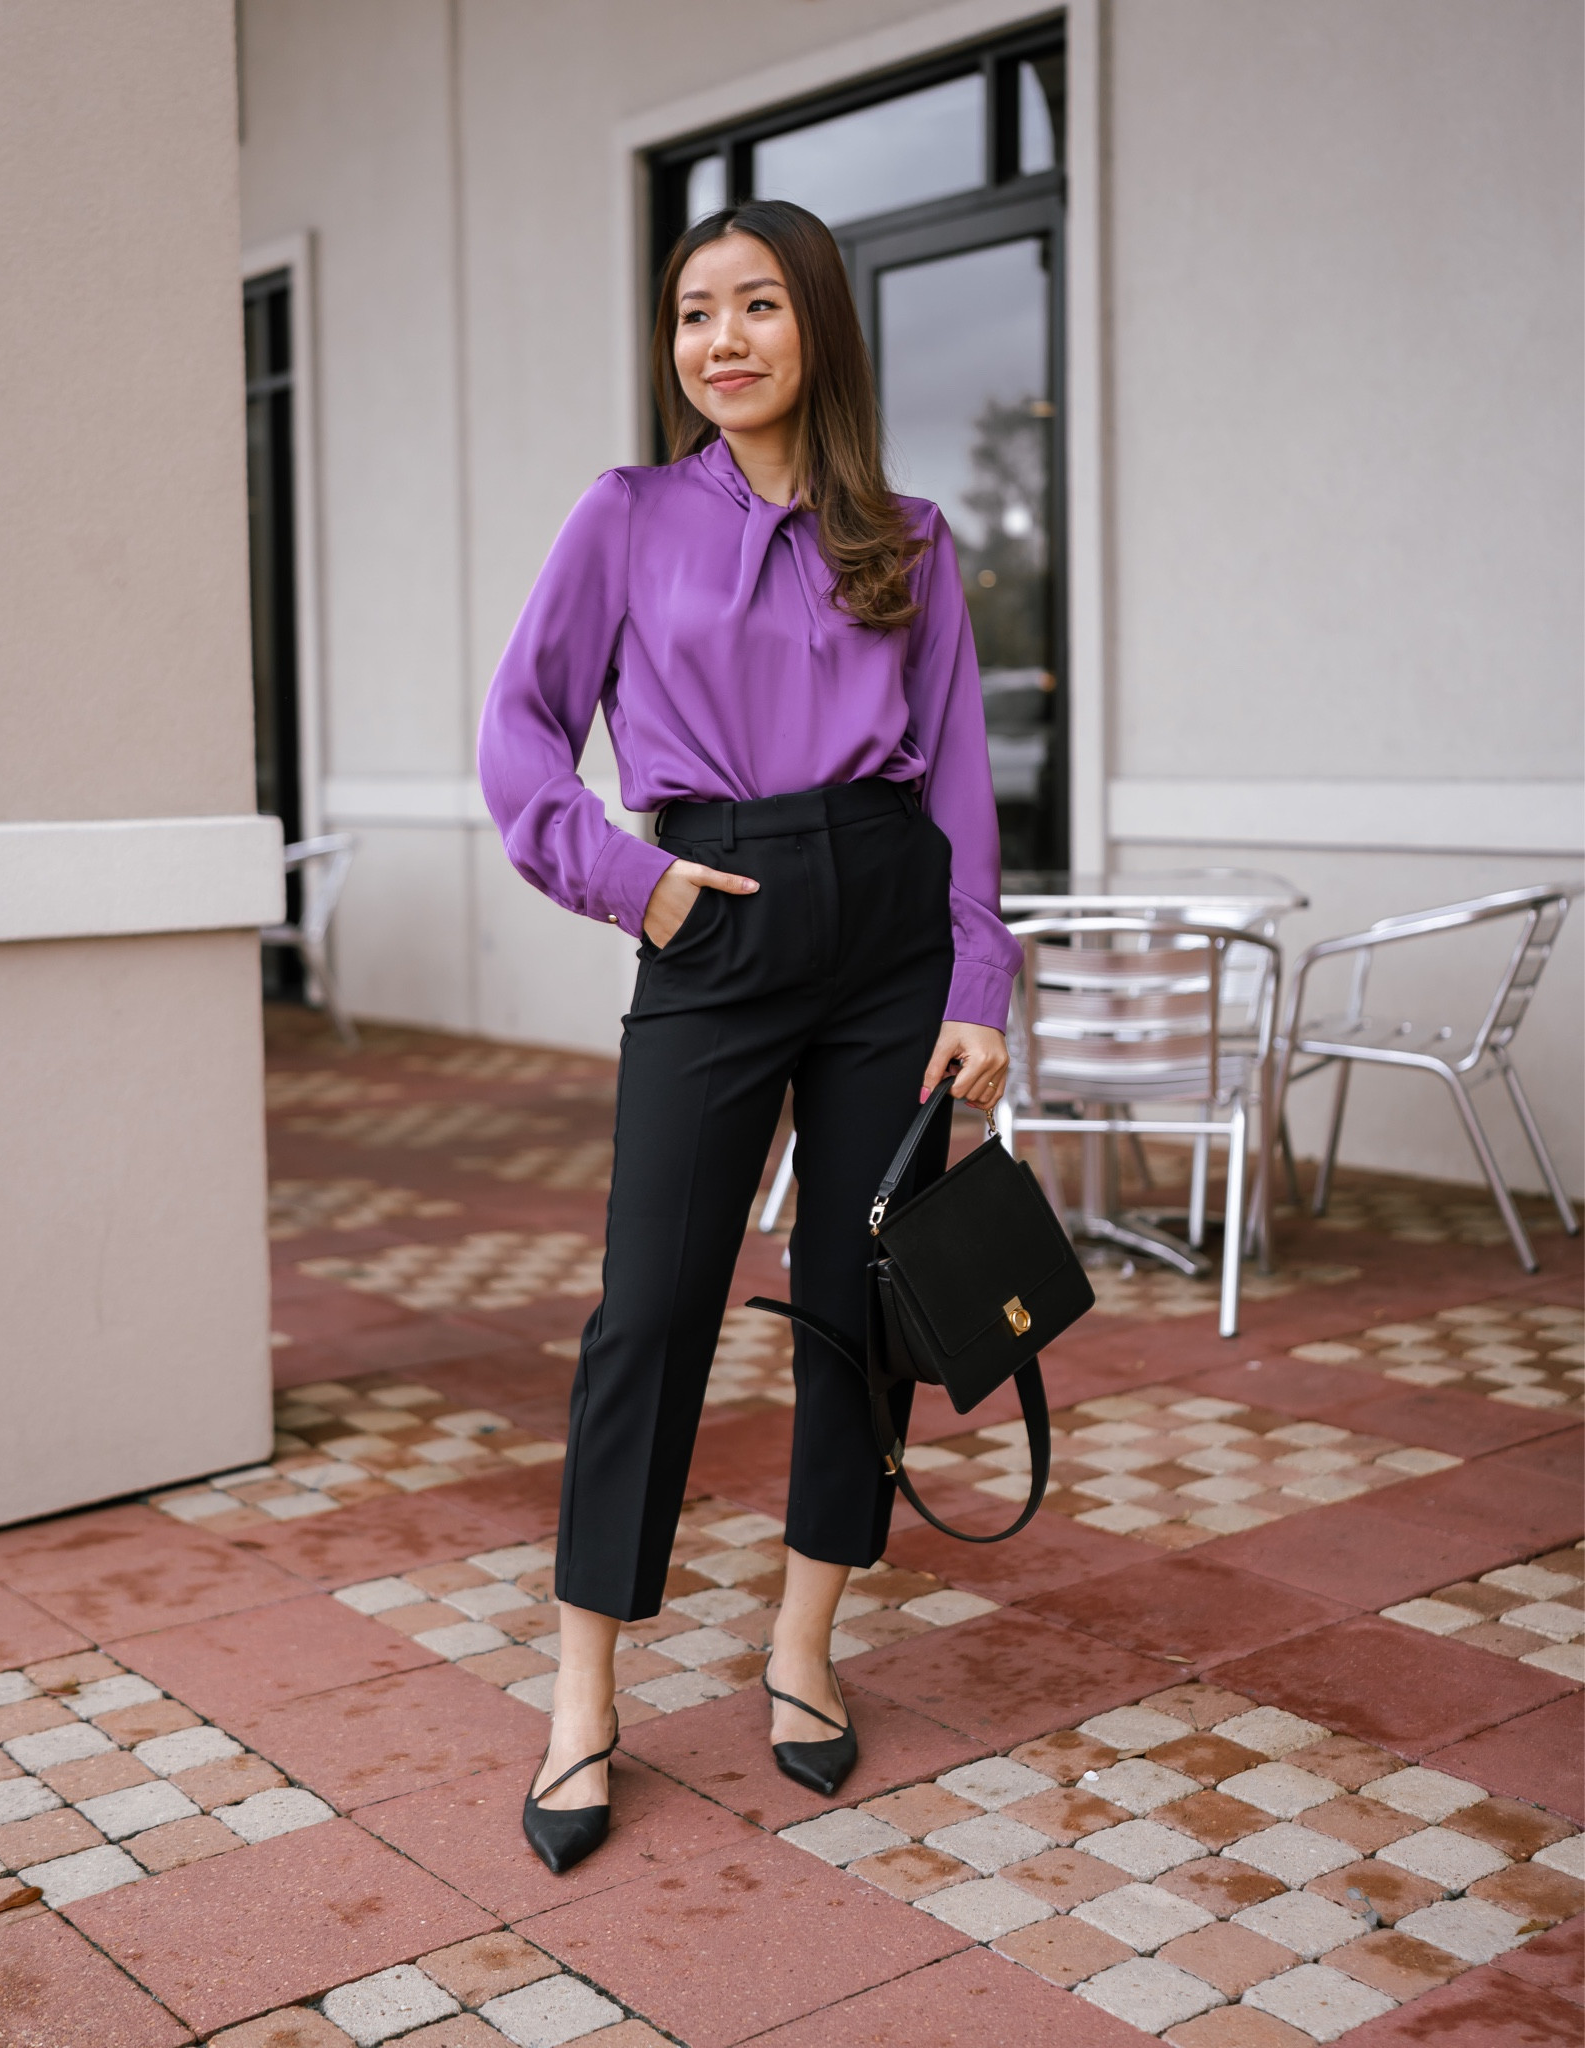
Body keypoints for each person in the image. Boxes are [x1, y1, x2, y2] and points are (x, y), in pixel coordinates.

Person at [478, 198, 1018, 1873]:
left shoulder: (908, 539)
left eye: (758, 304)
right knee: (649, 1308)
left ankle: (801, 1644)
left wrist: (978, 982)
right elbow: (518, 732)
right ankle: (584, 1696)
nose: (721, 339)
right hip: (708, 914)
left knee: (855, 1308)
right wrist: (627, 883)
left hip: (885, 931)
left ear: (817, 327)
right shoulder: (626, 515)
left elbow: (957, 773)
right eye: (694, 311)